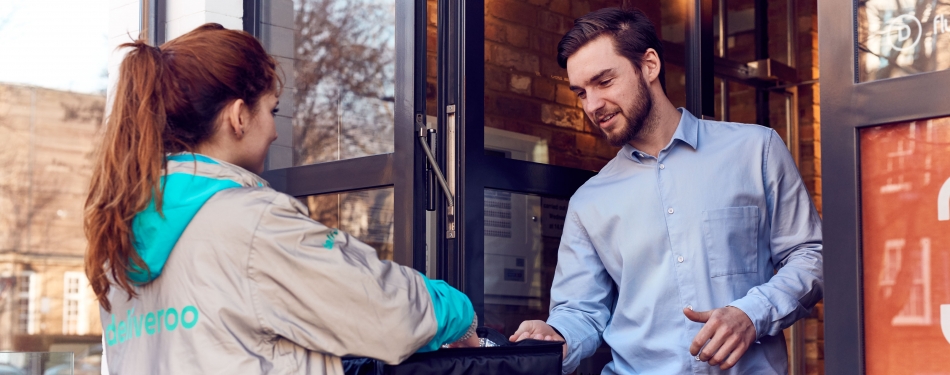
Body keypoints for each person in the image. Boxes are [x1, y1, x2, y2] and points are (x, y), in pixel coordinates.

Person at [84, 23, 478, 375]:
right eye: (271, 110)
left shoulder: (118, 236)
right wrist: (457, 309)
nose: (274, 132)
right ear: (238, 116)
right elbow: (387, 312)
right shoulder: (252, 224)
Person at [509, 7, 823, 375]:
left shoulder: (756, 150)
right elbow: (580, 312)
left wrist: (751, 314)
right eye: (581, 92)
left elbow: (810, 255)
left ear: (650, 65)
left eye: (604, 82)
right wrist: (554, 336)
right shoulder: (588, 201)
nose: (592, 105)